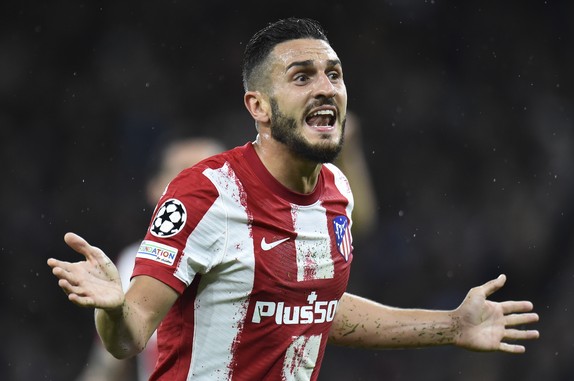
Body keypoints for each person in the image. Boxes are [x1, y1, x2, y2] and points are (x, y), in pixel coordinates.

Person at [48, 18, 539, 381]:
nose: (326, 88)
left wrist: (451, 326)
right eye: (302, 77)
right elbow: (129, 338)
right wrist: (114, 307)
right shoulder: (207, 193)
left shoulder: (336, 191)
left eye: (334, 74)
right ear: (258, 106)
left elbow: (316, 307)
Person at [76, 136, 225, 381]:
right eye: (183, 175)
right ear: (155, 188)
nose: (198, 189)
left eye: (210, 174)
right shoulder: (129, 263)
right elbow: (108, 366)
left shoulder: (262, 254)